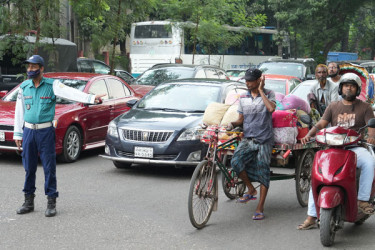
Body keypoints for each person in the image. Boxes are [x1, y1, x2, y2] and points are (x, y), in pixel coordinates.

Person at [13, 55, 105, 217]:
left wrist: (90, 98)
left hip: (45, 131)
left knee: (49, 167)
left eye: (34, 67)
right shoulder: (24, 87)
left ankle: (51, 201)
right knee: (29, 168)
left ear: (41, 69)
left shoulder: (52, 85)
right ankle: (28, 201)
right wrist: (18, 134)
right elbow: (19, 111)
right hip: (28, 132)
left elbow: (70, 93)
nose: (30, 70)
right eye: (29, 67)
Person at [297, 72, 375, 230]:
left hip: (355, 148)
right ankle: (311, 216)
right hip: (333, 148)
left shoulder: (365, 107)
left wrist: (371, 138)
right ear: (341, 88)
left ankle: (363, 199)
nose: (349, 89)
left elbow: (371, 126)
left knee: (369, 161)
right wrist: (308, 135)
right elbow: (321, 124)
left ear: (357, 89)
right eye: (346, 85)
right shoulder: (333, 106)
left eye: (352, 86)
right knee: (317, 176)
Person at [226, 68, 276, 220]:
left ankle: (260, 207)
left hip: (264, 139)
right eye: (246, 80)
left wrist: (261, 91)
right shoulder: (243, 97)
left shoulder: (269, 94)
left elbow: (271, 108)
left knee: (263, 170)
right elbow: (241, 119)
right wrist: (232, 124)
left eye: (250, 80)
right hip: (248, 139)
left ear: (259, 80)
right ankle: (250, 189)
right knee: (235, 162)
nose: (247, 83)